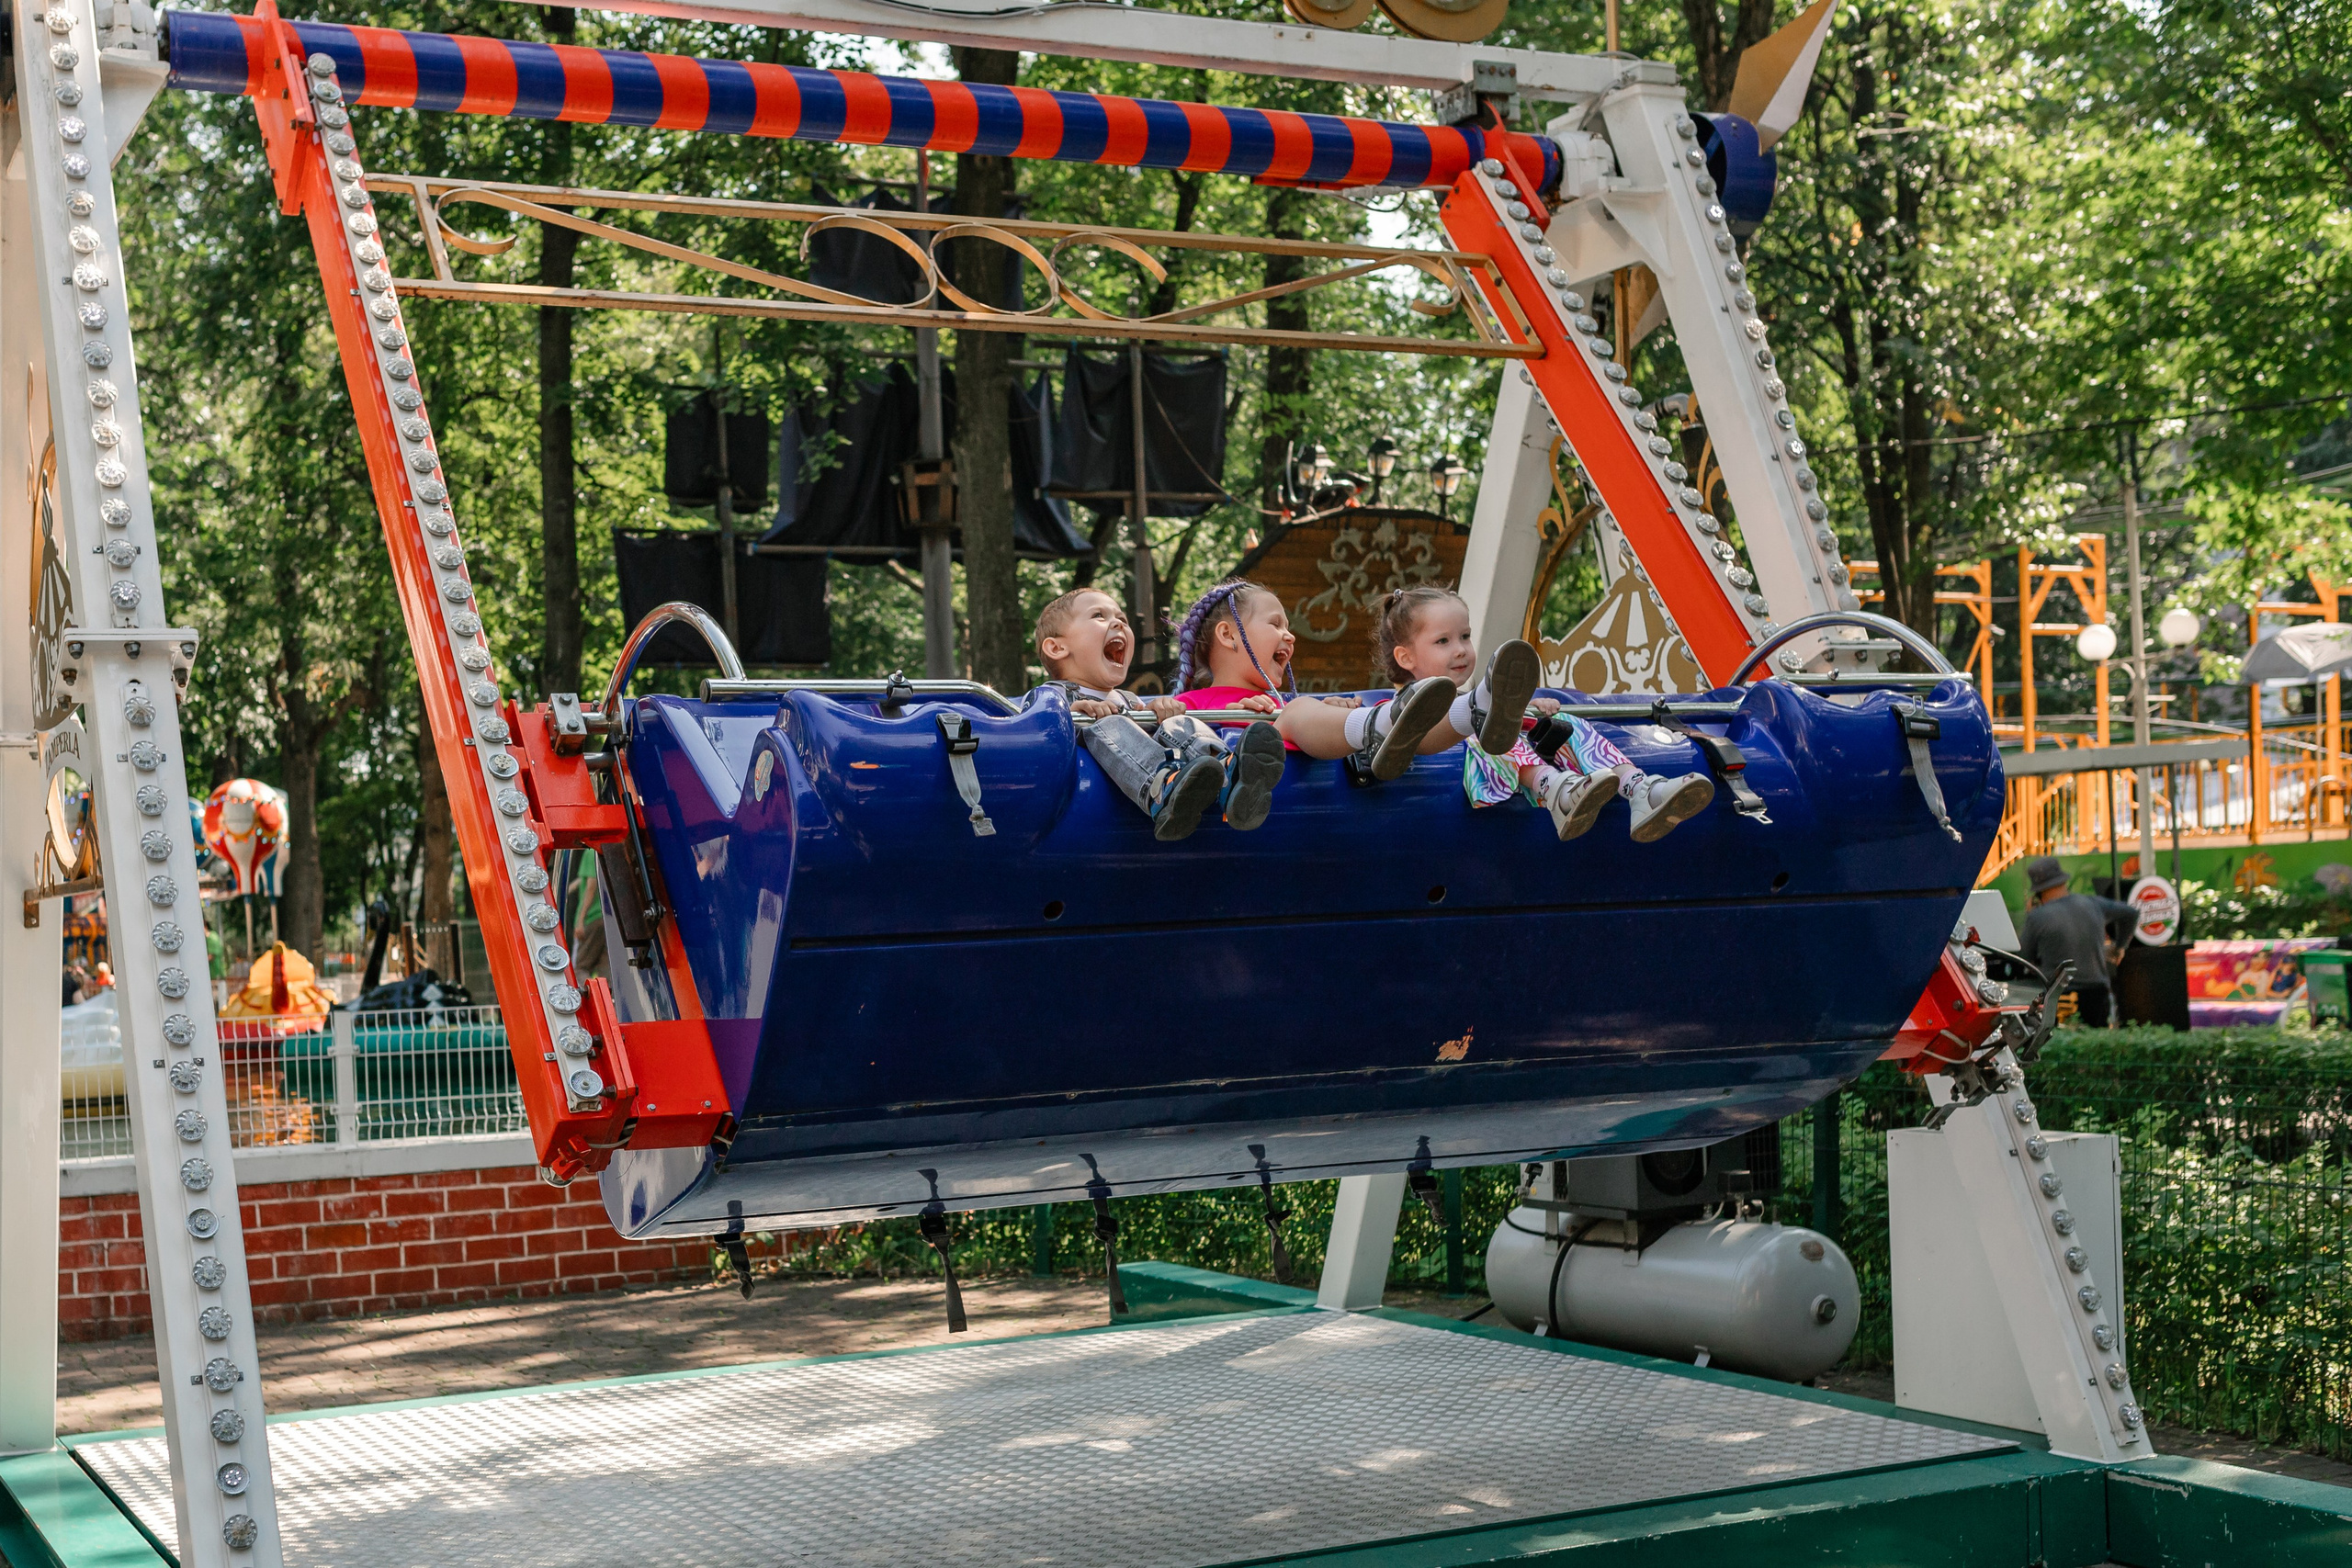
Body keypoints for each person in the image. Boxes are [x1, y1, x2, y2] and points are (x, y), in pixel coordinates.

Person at [1370, 585, 1715, 842]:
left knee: (1568, 724)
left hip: (1504, 755)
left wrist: (1531, 709)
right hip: (1479, 772)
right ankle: (1555, 790)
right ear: (1406, 657)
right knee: (1489, 728)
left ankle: (1639, 789)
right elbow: (1386, 731)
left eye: (1465, 636)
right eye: (1443, 641)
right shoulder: (1403, 706)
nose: (1461, 650)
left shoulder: (1473, 699)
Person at [1165, 580, 1534, 782]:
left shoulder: (1286, 703)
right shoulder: (1193, 704)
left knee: (1403, 726)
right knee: (1297, 711)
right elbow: (1166, 731)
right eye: (1276, 624)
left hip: (1333, 762)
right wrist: (1165, 709)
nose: (1290, 636)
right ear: (1228, 636)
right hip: (1257, 779)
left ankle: (1474, 710)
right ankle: (1378, 725)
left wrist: (1334, 711)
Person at [1033, 587, 1284, 840]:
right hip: (1118, 787)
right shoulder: (1051, 697)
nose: (1119, 624)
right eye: (1098, 615)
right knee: (1110, 724)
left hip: (1164, 761)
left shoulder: (1129, 700)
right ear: (1057, 648)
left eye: (1122, 619)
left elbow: (1150, 737)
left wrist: (1160, 713)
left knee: (1180, 721)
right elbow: (1034, 730)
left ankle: (1228, 773)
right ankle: (1162, 788)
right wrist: (1070, 715)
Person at [2018, 856, 2134, 1027]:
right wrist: (2120, 947)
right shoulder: (2093, 903)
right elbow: (2131, 913)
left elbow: (2024, 958)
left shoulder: (2037, 917)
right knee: (2096, 1040)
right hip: (2097, 992)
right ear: (2064, 882)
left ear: (2038, 892)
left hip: (2061, 996)